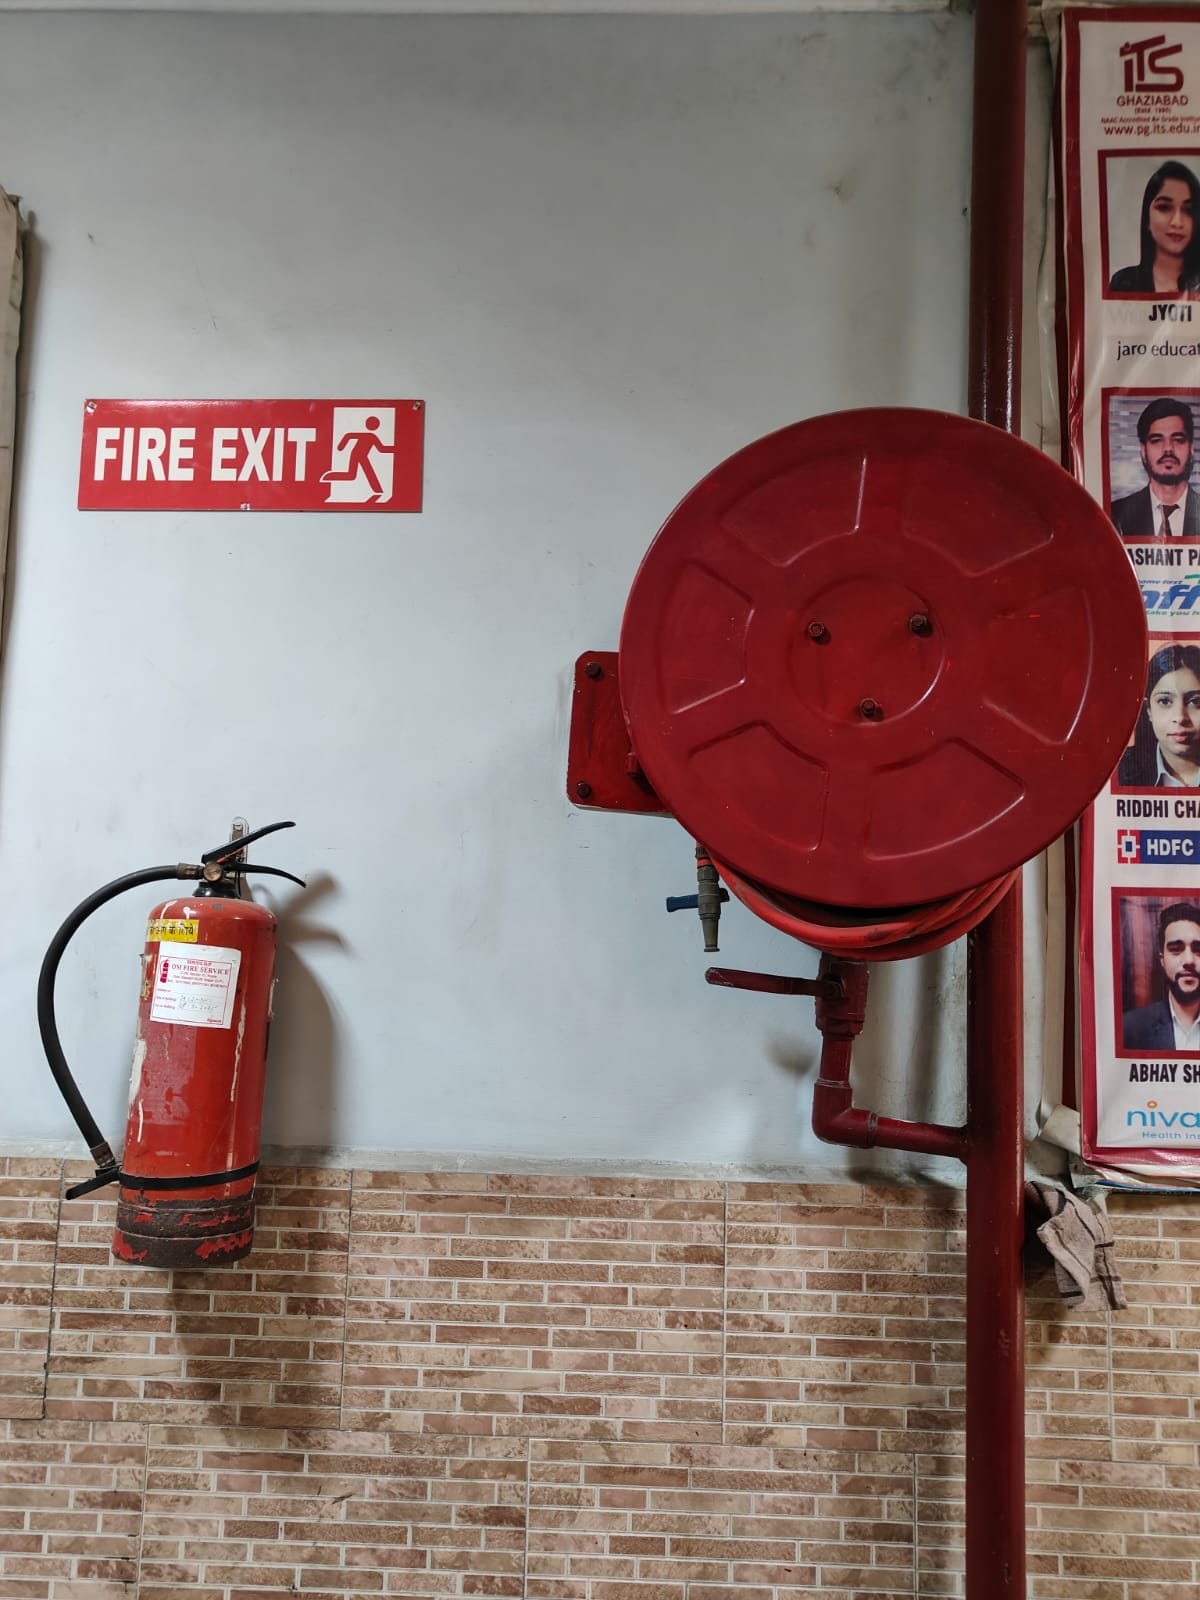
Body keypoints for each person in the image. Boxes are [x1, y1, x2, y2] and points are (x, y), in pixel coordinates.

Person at [1110, 398, 1200, 540]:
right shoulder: (1115, 514)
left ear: (1191, 449)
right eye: (1157, 440)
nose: (1168, 449)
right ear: (1143, 451)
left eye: (1178, 439)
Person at [1109, 160, 1200, 295]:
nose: (1177, 222)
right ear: (1147, 219)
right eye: (1164, 207)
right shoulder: (1124, 282)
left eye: (1188, 210)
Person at [1118, 644, 1200, 788]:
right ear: (1148, 710)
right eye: (1165, 701)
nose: (1180, 717)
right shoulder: (1122, 769)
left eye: (1195, 701)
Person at [1123, 902, 1200, 1051]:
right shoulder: (1130, 1028)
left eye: (1198, 950)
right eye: (1176, 949)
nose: (1189, 960)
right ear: (1162, 960)